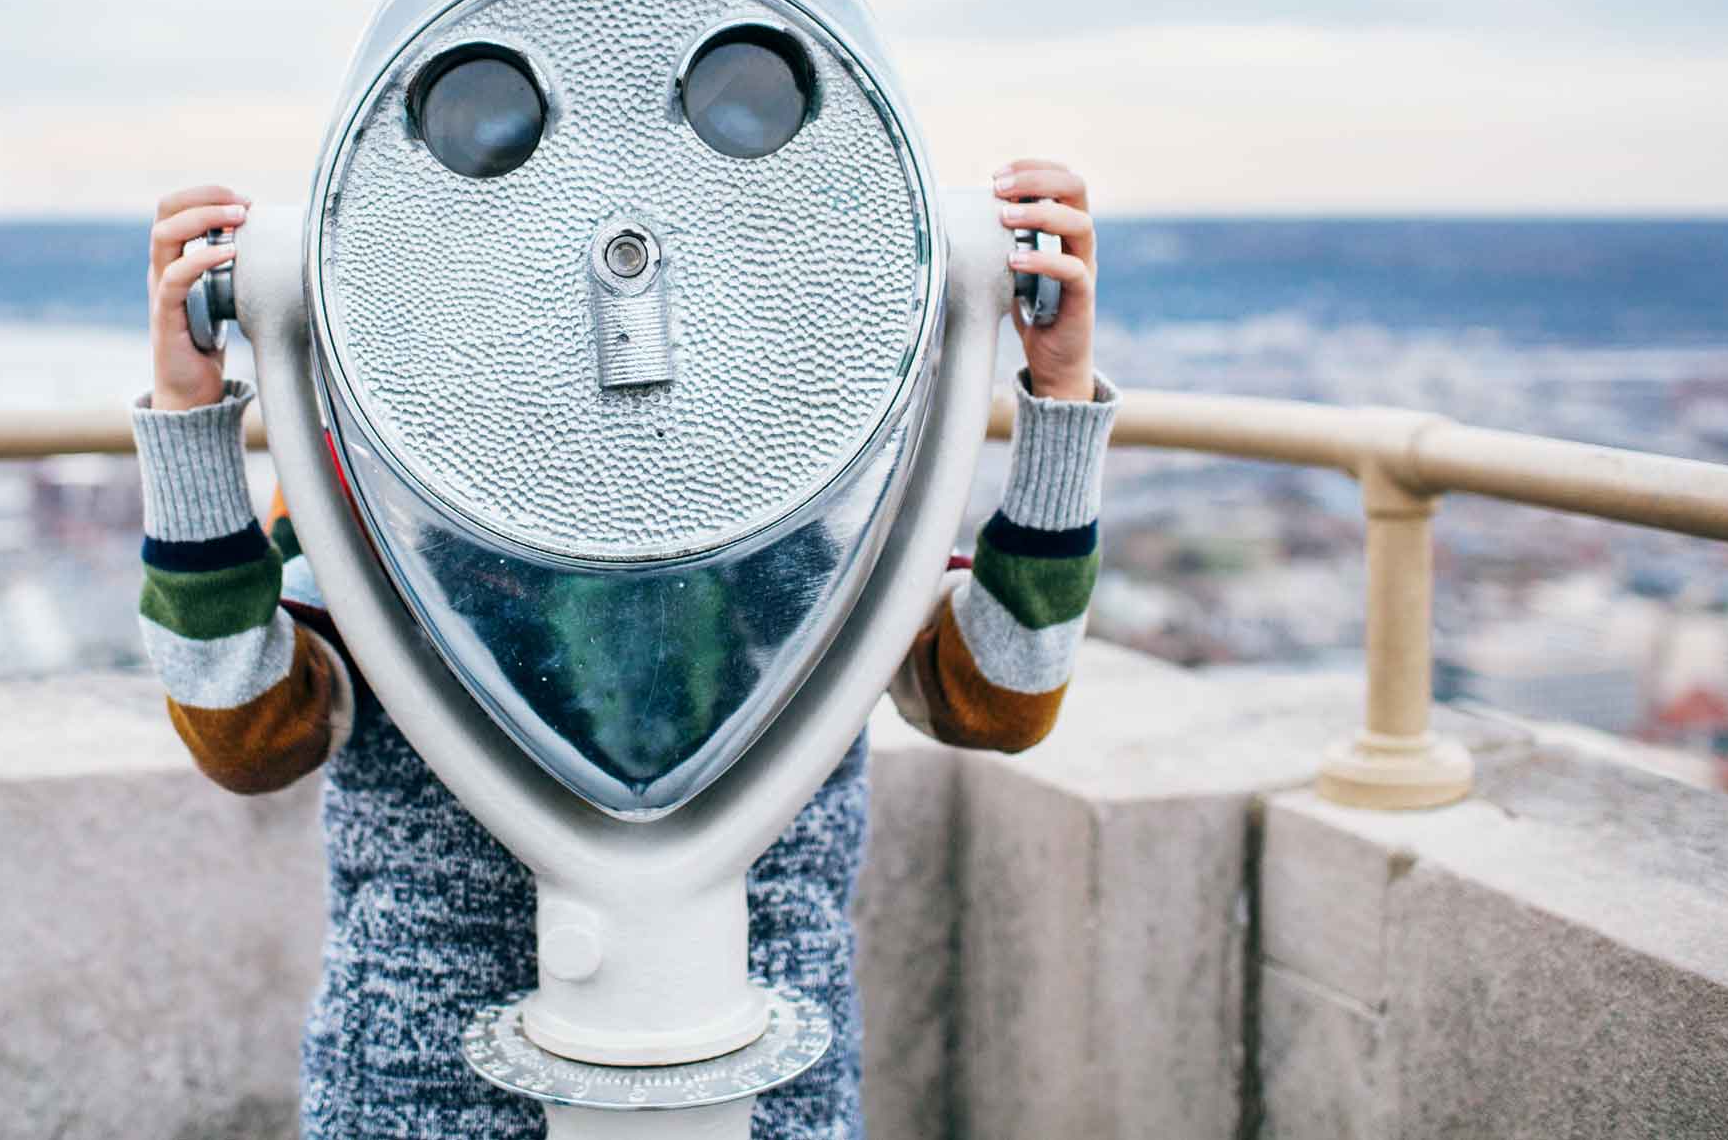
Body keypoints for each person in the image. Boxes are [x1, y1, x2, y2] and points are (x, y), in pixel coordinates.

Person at [130, 159, 1118, 1138]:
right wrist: (188, 419)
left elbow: (996, 697)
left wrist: (1061, 393)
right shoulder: (384, 478)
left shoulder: (802, 475)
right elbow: (249, 734)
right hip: (424, 1084)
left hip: (756, 1067)